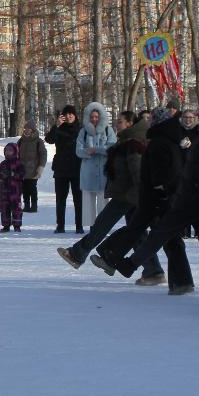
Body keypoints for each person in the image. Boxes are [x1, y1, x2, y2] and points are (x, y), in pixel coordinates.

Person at [94, 96, 199, 306]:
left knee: (164, 232)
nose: (197, 114)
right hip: (196, 198)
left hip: (197, 200)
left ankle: (130, 265)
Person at [92, 107, 190, 294]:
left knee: (148, 233)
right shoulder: (165, 139)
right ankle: (177, 280)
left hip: (153, 198)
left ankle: (116, 259)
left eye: (151, 118)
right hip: (154, 197)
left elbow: (158, 172)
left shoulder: (156, 142)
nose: (148, 122)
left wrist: (159, 190)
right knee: (156, 235)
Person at [57, 111, 162, 281]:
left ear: (129, 123)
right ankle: (153, 270)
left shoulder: (133, 144)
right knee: (137, 233)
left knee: (101, 225)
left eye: (120, 122)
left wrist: (144, 195)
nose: (116, 124)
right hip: (131, 194)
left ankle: (77, 254)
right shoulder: (129, 141)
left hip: (128, 195)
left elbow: (138, 173)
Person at [76, 102, 116, 228]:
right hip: (87, 173)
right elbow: (78, 150)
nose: (94, 119)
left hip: (103, 172)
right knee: (88, 203)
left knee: (103, 202)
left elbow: (112, 148)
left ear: (101, 117)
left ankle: (103, 226)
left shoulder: (108, 130)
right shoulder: (83, 132)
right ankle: (91, 227)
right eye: (92, 117)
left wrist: (96, 150)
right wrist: (87, 152)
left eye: (96, 117)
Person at [46, 105, 84, 233]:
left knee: (78, 199)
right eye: (66, 114)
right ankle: (60, 225)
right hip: (61, 168)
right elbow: (49, 139)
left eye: (71, 114)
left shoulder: (81, 129)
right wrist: (56, 125)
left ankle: (79, 225)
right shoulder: (59, 128)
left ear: (75, 115)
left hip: (77, 168)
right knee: (60, 199)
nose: (68, 116)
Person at [0, 142, 25, 233]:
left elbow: (22, 174)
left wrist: (12, 174)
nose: (8, 152)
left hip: (15, 190)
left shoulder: (18, 163)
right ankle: (6, 225)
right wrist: (2, 174)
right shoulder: (3, 163)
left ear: (15, 151)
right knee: (4, 207)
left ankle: (17, 225)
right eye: (6, 150)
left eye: (10, 150)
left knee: (16, 208)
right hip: (4, 190)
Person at [17, 123, 47, 213]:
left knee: (32, 187)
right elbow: (16, 153)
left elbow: (43, 155)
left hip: (33, 169)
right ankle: (26, 205)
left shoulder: (38, 141)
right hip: (22, 169)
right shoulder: (21, 141)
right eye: (25, 128)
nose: (26, 130)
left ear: (33, 130)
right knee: (24, 188)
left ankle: (34, 206)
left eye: (28, 128)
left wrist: (40, 168)